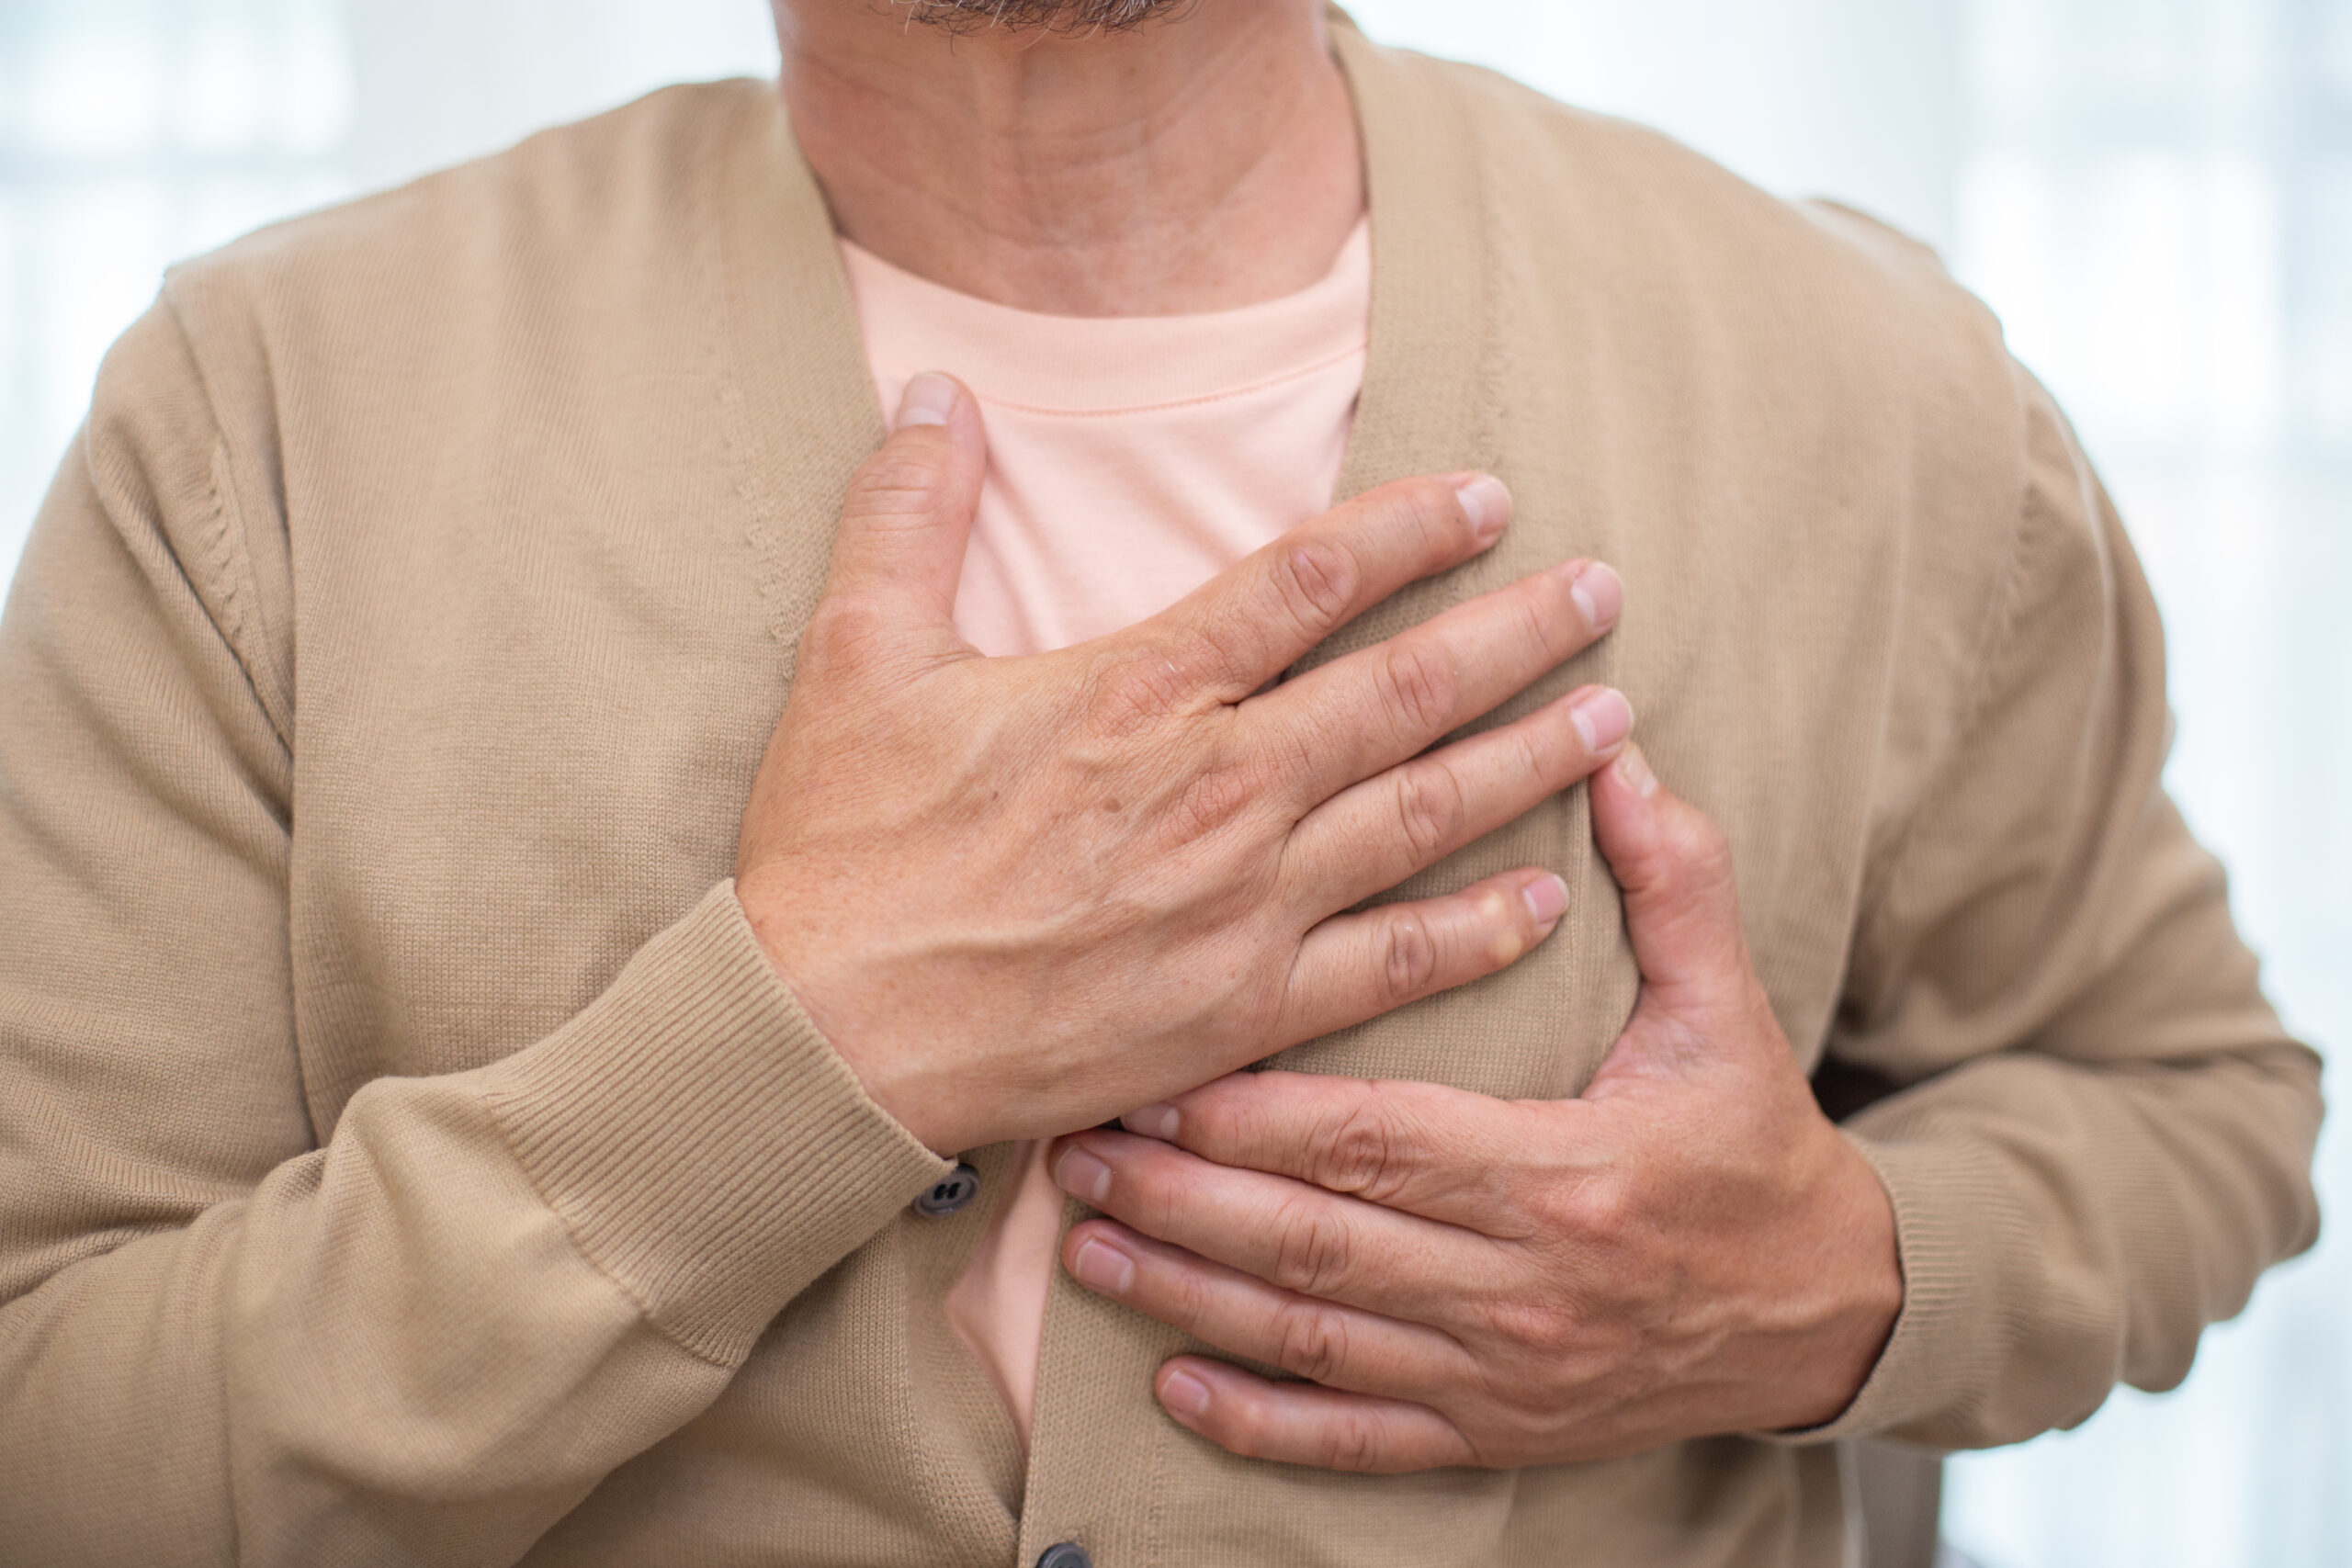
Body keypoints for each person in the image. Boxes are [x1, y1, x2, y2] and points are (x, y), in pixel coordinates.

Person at [0, 1, 2321, 1563]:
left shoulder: (1877, 393)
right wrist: (798, 1042)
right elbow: (50, 1437)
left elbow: (2191, 1101)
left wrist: (1839, 1279)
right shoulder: (266, 423)